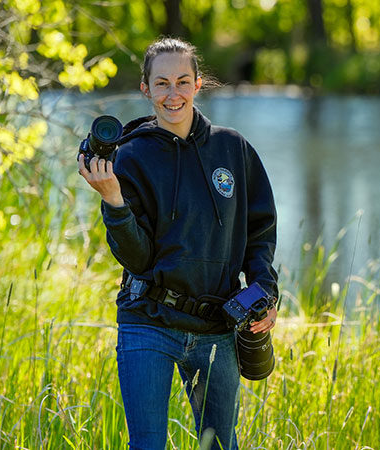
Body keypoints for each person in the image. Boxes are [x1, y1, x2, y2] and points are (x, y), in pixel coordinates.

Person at [77, 37, 278, 450]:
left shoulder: (233, 148)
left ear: (198, 83)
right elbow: (138, 258)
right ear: (145, 89)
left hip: (216, 327)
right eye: (163, 83)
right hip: (148, 322)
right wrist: (113, 199)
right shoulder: (129, 156)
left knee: (220, 446)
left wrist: (265, 290)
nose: (174, 94)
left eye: (183, 81)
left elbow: (259, 230)